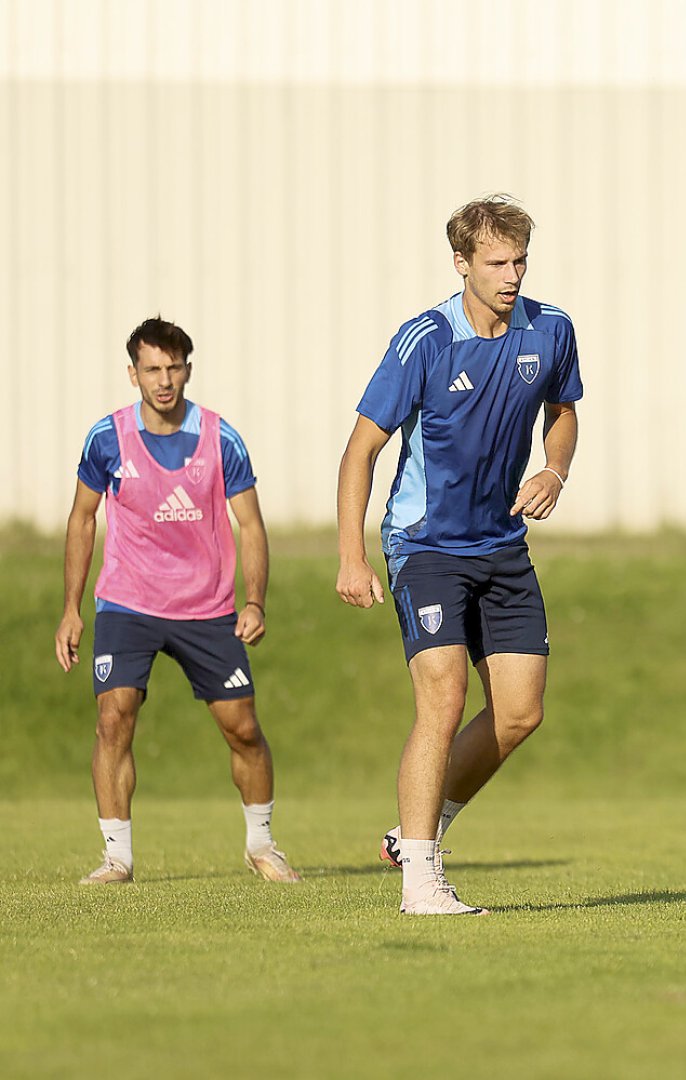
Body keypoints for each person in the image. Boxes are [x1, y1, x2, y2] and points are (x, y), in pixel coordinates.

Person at [336, 194, 582, 917]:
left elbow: (564, 411)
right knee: (443, 700)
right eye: (496, 262)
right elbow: (361, 452)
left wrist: (553, 469)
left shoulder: (553, 330)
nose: (511, 275)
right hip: (426, 544)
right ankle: (422, 881)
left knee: (519, 713)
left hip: (502, 543)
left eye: (520, 260)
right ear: (462, 263)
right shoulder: (425, 341)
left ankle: (418, 830)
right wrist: (351, 556)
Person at [55, 317, 300, 886]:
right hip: (126, 602)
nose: (163, 380)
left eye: (173, 368)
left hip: (206, 607)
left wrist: (255, 601)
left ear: (188, 369)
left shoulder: (220, 439)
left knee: (242, 729)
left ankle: (262, 844)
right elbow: (82, 518)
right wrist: (71, 608)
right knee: (113, 718)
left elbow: (251, 525)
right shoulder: (107, 438)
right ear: (133, 373)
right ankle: (117, 857)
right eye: (152, 369)